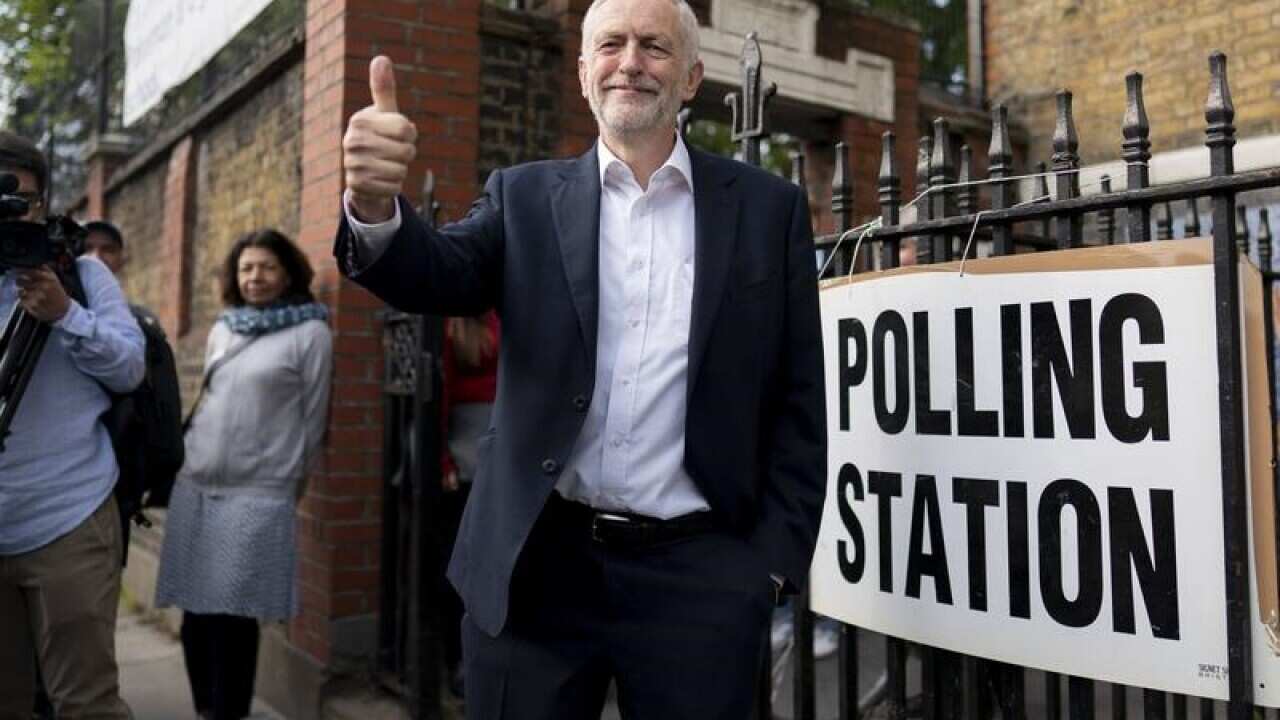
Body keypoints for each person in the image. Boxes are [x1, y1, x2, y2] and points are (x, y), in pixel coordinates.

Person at [336, 0, 827, 713]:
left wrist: (769, 570)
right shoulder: (524, 196)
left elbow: (799, 399)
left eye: (655, 47)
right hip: (537, 568)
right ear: (583, 72)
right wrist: (374, 205)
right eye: (612, 45)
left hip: (700, 578)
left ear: (691, 77)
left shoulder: (768, 208)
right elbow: (436, 273)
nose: (631, 62)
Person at [154, 229, 333, 720]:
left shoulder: (311, 333)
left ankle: (230, 712)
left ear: (288, 272)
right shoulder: (225, 328)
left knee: (234, 612)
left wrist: (289, 486)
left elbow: (314, 422)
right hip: (196, 483)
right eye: (246, 268)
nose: (255, 277)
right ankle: (206, 710)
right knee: (195, 614)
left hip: (259, 490)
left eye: (267, 267)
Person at [0, 130, 144, 719]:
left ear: (45, 205)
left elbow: (130, 367)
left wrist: (66, 314)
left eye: (22, 202)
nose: (9, 215)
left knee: (85, 704)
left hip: (68, 517)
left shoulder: (81, 275)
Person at [439, 311, 500, 699]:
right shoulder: (450, 325)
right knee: (462, 567)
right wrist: (443, 459)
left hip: (512, 451)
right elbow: (438, 398)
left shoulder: (506, 312)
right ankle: (460, 662)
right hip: (466, 454)